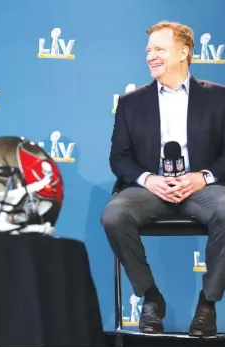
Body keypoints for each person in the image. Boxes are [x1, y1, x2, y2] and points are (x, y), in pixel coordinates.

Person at [101, 21, 225, 336]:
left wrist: (202, 177)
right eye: (148, 51)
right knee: (114, 215)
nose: (151, 56)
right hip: (150, 190)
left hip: (201, 188)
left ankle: (208, 304)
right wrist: (148, 179)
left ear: (183, 51)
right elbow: (119, 157)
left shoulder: (218, 97)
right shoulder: (131, 103)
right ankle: (151, 298)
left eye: (159, 49)